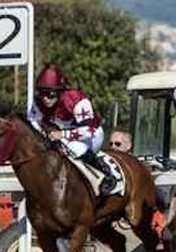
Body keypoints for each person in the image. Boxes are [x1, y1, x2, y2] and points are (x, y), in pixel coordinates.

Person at [28, 64, 117, 195]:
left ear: (60, 91)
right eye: (42, 93)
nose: (45, 98)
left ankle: (107, 175)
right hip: (62, 135)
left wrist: (63, 134)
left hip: (92, 134)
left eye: (49, 94)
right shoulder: (38, 102)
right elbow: (33, 126)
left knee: (74, 146)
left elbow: (88, 131)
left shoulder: (76, 100)